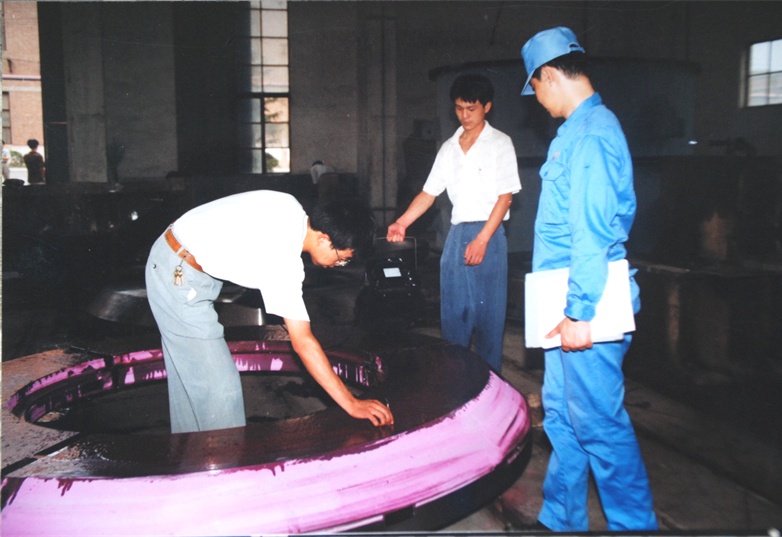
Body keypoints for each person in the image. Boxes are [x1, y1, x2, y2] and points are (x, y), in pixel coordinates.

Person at [520, 27, 658, 531]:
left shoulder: (593, 134)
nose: (537, 100)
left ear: (549, 76)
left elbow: (592, 231)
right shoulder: (574, 133)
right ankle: (560, 518)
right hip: (563, 300)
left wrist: (579, 311)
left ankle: (635, 526)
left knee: (599, 425)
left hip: (585, 303)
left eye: (535, 87)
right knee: (563, 416)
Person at [145, 190, 394, 433]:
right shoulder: (283, 259)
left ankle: (191, 453)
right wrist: (351, 403)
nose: (339, 264)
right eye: (342, 258)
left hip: (177, 257)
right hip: (179, 275)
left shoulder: (290, 205)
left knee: (191, 385)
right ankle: (225, 458)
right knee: (221, 390)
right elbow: (303, 342)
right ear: (324, 240)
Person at [386, 74, 520, 372]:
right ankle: (454, 382)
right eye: (459, 108)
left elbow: (505, 198)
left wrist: (482, 239)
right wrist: (402, 222)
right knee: (453, 317)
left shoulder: (500, 144)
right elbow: (429, 192)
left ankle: (489, 385)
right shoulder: (449, 147)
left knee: (488, 320)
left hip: (489, 235)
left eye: (471, 108)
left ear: (487, 106)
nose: (465, 115)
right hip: (457, 235)